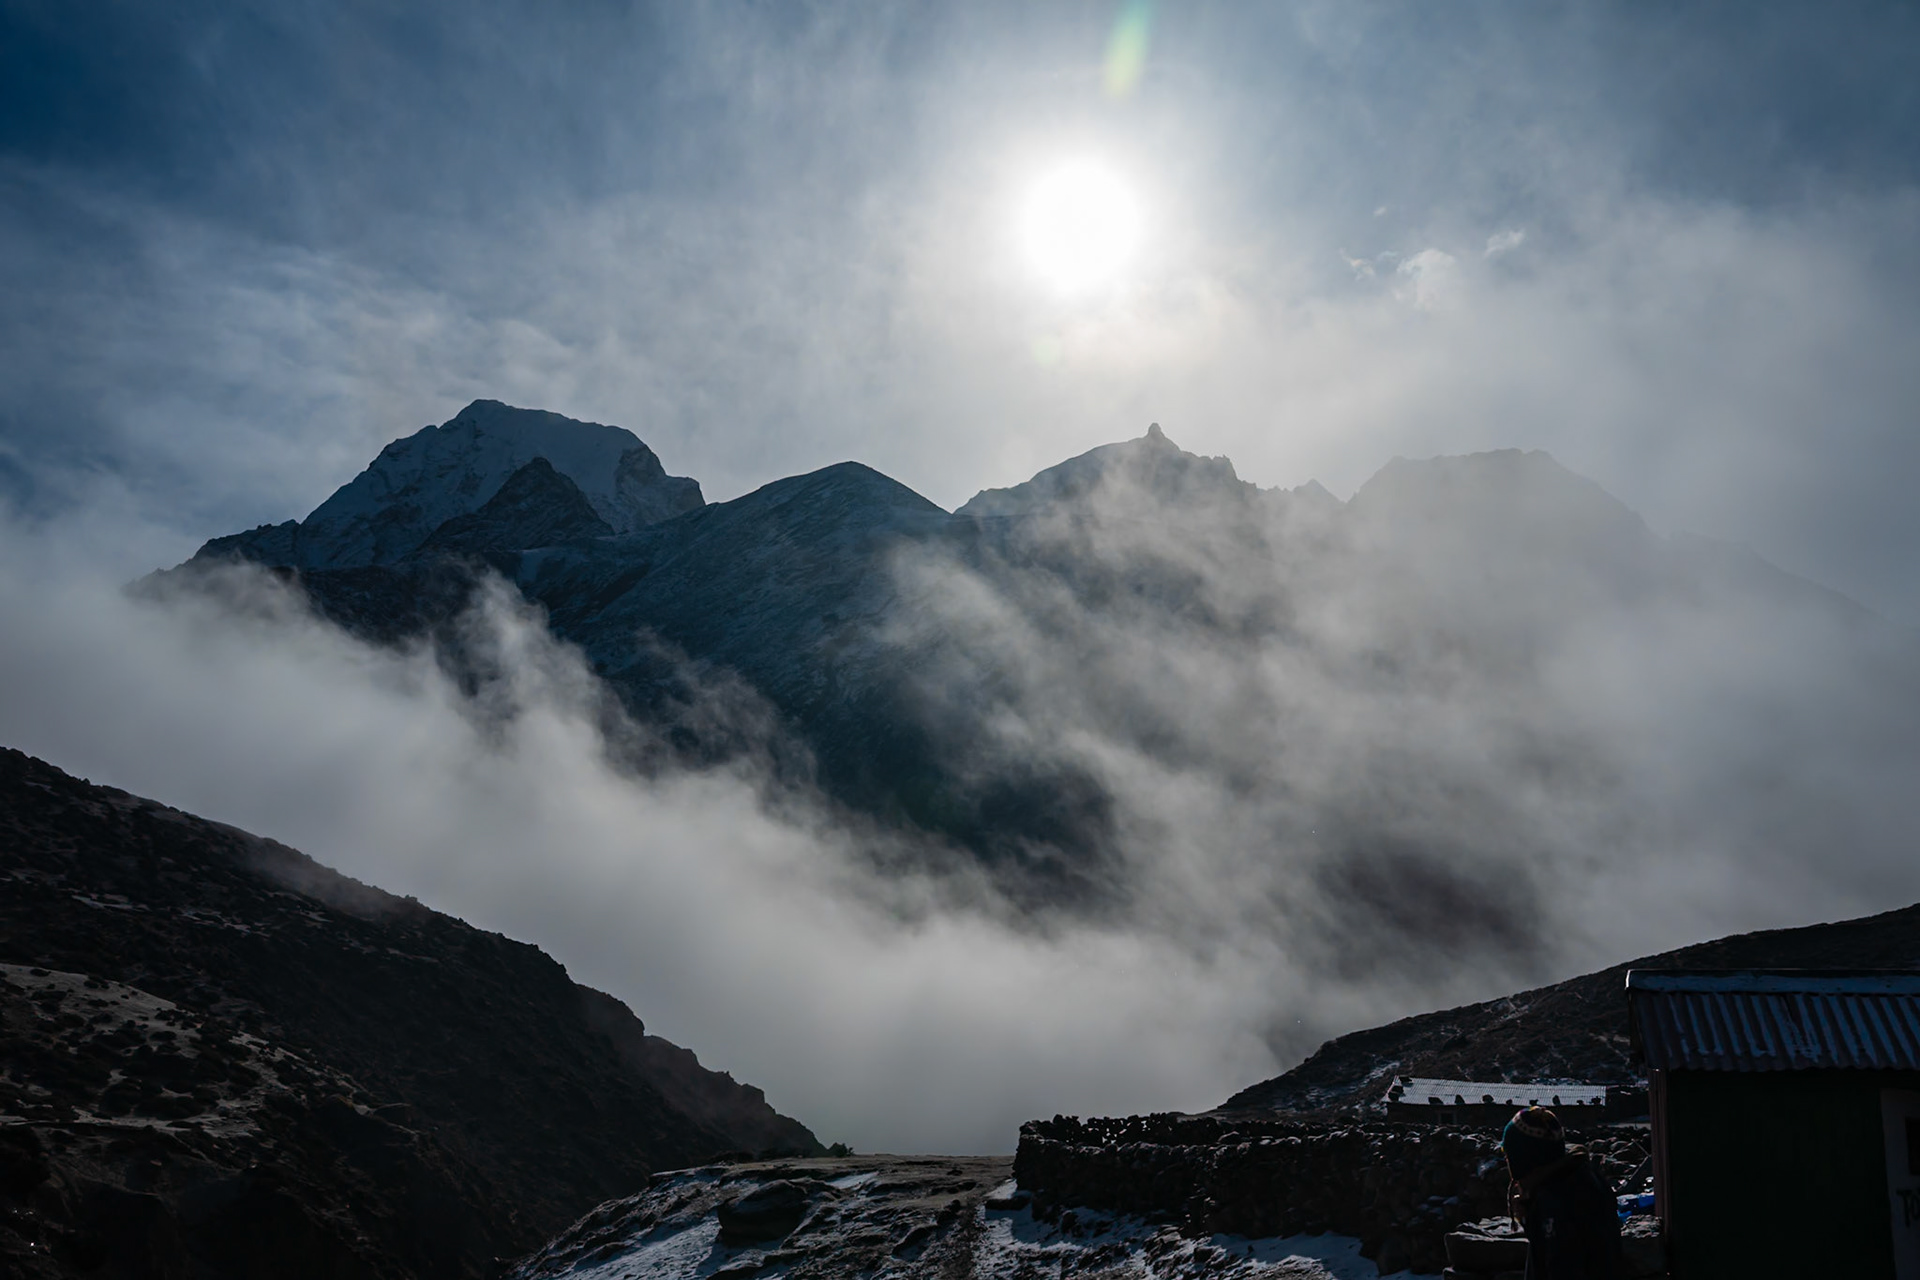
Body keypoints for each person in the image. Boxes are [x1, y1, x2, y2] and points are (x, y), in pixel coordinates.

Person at [1501, 1106, 1624, 1280]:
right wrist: (1529, 1216)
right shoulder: (1585, 1179)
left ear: (1522, 1160)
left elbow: (1561, 1265)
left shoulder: (1553, 1203)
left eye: (1507, 1154)